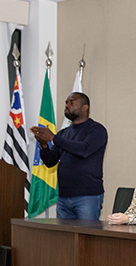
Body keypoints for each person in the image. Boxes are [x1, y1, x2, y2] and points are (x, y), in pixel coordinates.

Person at [30, 92, 108, 220]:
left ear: (85, 107)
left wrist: (53, 138)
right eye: (66, 103)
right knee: (65, 239)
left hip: (87, 196)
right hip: (63, 197)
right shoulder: (63, 133)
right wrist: (44, 145)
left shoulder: (97, 130)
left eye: (72, 103)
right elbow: (51, 162)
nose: (67, 106)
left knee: (86, 237)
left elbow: (84, 150)